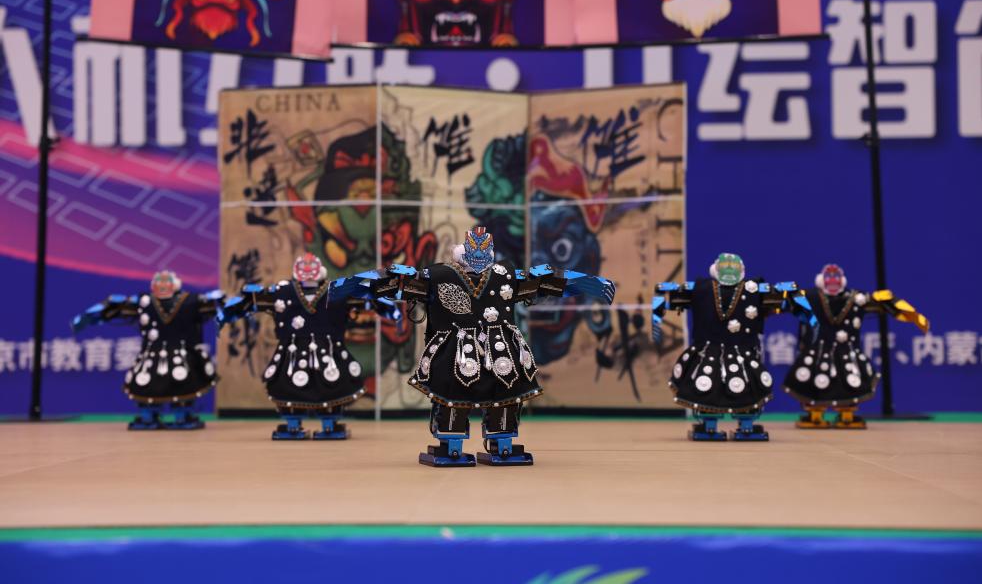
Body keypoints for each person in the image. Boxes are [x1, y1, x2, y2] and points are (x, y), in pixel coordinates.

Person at [371, 226, 616, 467]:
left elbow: (544, 279)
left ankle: (493, 445)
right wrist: (362, 285)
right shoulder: (445, 275)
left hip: (492, 353)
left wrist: (588, 283)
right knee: (458, 397)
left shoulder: (496, 275)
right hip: (470, 352)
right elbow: (396, 280)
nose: (478, 257)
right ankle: (462, 446)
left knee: (499, 396)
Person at [217, 252, 400, 440]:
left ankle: (329, 424)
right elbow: (252, 301)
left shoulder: (337, 290)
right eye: (303, 268)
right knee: (288, 387)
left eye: (311, 268)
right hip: (292, 351)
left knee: (332, 388)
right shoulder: (283, 291)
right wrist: (228, 313)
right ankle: (293, 425)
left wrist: (389, 308)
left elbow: (370, 299)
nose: (307, 272)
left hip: (329, 350)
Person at [652, 252, 817, 441]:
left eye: (733, 266)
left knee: (744, 390)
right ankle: (714, 425)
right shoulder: (703, 288)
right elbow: (666, 296)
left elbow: (786, 301)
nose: (729, 270)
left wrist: (805, 313)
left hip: (739, 350)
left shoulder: (741, 289)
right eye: (725, 266)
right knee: (708, 388)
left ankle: (740, 426)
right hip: (712, 350)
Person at [783, 264, 929, 429]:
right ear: (821, 280)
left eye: (836, 277)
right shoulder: (809, 297)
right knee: (811, 382)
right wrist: (767, 294)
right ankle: (815, 414)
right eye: (829, 277)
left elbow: (884, 300)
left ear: (843, 280)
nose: (833, 281)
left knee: (850, 382)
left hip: (847, 350)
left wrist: (911, 315)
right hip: (818, 350)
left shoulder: (856, 298)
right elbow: (784, 298)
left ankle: (847, 414)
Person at [72, 271, 223, 430]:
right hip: (158, 354)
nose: (162, 285)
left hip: (176, 355)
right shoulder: (149, 301)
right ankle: (153, 417)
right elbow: (113, 308)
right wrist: (89, 318)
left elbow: (218, 307)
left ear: (175, 284)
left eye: (166, 282)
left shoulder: (189, 300)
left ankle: (177, 417)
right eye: (159, 281)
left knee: (181, 387)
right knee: (150, 387)